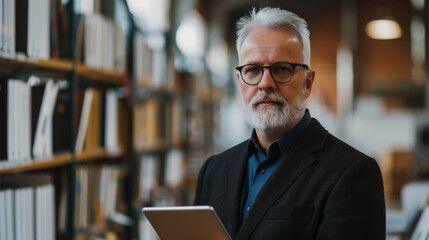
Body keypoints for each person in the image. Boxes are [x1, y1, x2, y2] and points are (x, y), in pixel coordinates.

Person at [194, 6, 386, 240]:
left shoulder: (353, 174)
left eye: (282, 69)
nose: (265, 83)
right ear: (239, 81)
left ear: (308, 82)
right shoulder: (213, 171)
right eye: (253, 70)